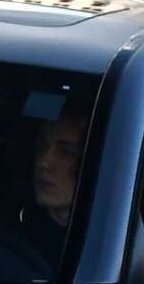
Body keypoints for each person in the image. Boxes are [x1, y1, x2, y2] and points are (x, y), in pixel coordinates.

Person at [7, 114, 86, 269]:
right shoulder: (11, 228)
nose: (43, 163)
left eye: (67, 152)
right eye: (40, 147)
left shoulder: (117, 244)